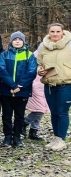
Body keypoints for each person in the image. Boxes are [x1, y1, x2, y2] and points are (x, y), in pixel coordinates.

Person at [0, 32, 37, 147]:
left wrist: (20, 86)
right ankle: (7, 136)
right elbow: (2, 71)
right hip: (7, 91)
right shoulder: (5, 55)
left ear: (24, 41)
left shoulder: (29, 55)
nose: (17, 41)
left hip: (22, 91)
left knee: (19, 116)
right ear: (11, 41)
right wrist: (12, 85)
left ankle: (17, 137)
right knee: (6, 115)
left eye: (20, 39)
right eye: (15, 39)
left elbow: (31, 72)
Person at [36, 23, 71, 151]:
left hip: (66, 84)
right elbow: (39, 63)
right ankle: (56, 138)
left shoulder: (69, 44)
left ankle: (61, 139)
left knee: (62, 112)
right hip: (50, 84)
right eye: (52, 32)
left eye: (58, 31)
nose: (55, 34)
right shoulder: (43, 46)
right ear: (48, 32)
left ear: (63, 32)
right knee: (54, 112)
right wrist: (40, 71)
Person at [24, 65, 49, 142]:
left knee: (41, 110)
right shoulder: (37, 55)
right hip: (36, 84)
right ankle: (24, 123)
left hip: (46, 84)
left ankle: (33, 131)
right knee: (39, 110)